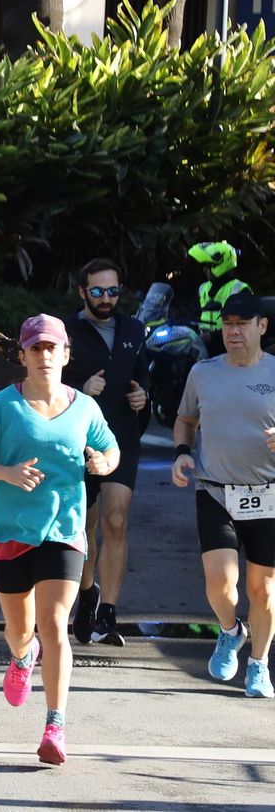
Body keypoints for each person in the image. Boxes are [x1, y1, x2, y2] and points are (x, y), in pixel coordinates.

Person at [0, 315, 118, 763]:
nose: (45, 356)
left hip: (64, 530)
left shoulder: (85, 407)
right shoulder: (0, 406)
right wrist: (3, 472)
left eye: (52, 349)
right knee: (21, 630)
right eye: (36, 349)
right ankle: (23, 657)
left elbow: (110, 448)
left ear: (66, 355)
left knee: (54, 624)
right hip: (8, 529)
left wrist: (103, 463)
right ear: (22, 355)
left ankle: (55, 726)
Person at [170, 291, 275, 699]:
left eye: (241, 324)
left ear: (261, 327)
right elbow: (185, 419)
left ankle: (259, 664)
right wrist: (181, 453)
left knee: (263, 590)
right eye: (227, 324)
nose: (232, 332)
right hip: (215, 491)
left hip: (268, 494)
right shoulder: (204, 372)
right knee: (220, 585)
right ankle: (231, 631)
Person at [61, 259, 150, 647]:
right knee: (83, 526)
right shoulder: (66, 330)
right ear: (82, 291)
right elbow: (48, 381)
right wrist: (81, 386)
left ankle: (108, 615)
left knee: (115, 521)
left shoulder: (133, 329)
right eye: (97, 291)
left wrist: (143, 396)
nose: (106, 299)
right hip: (79, 442)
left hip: (123, 439)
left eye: (112, 291)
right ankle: (87, 592)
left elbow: (144, 373)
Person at [188, 240, 252, 340]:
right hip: (203, 343)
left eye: (209, 265)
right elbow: (193, 315)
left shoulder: (239, 289)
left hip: (229, 344)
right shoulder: (203, 288)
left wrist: (212, 337)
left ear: (222, 264)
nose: (204, 269)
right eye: (204, 266)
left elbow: (244, 326)